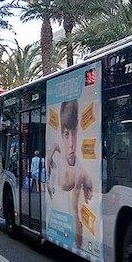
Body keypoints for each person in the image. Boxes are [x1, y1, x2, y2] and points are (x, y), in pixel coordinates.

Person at [46, 99, 94, 247]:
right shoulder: (58, 154)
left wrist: (74, 206)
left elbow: (79, 244)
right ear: (61, 134)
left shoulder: (80, 173)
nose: (72, 142)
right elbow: (52, 152)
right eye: (66, 134)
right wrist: (47, 177)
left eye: (74, 132)